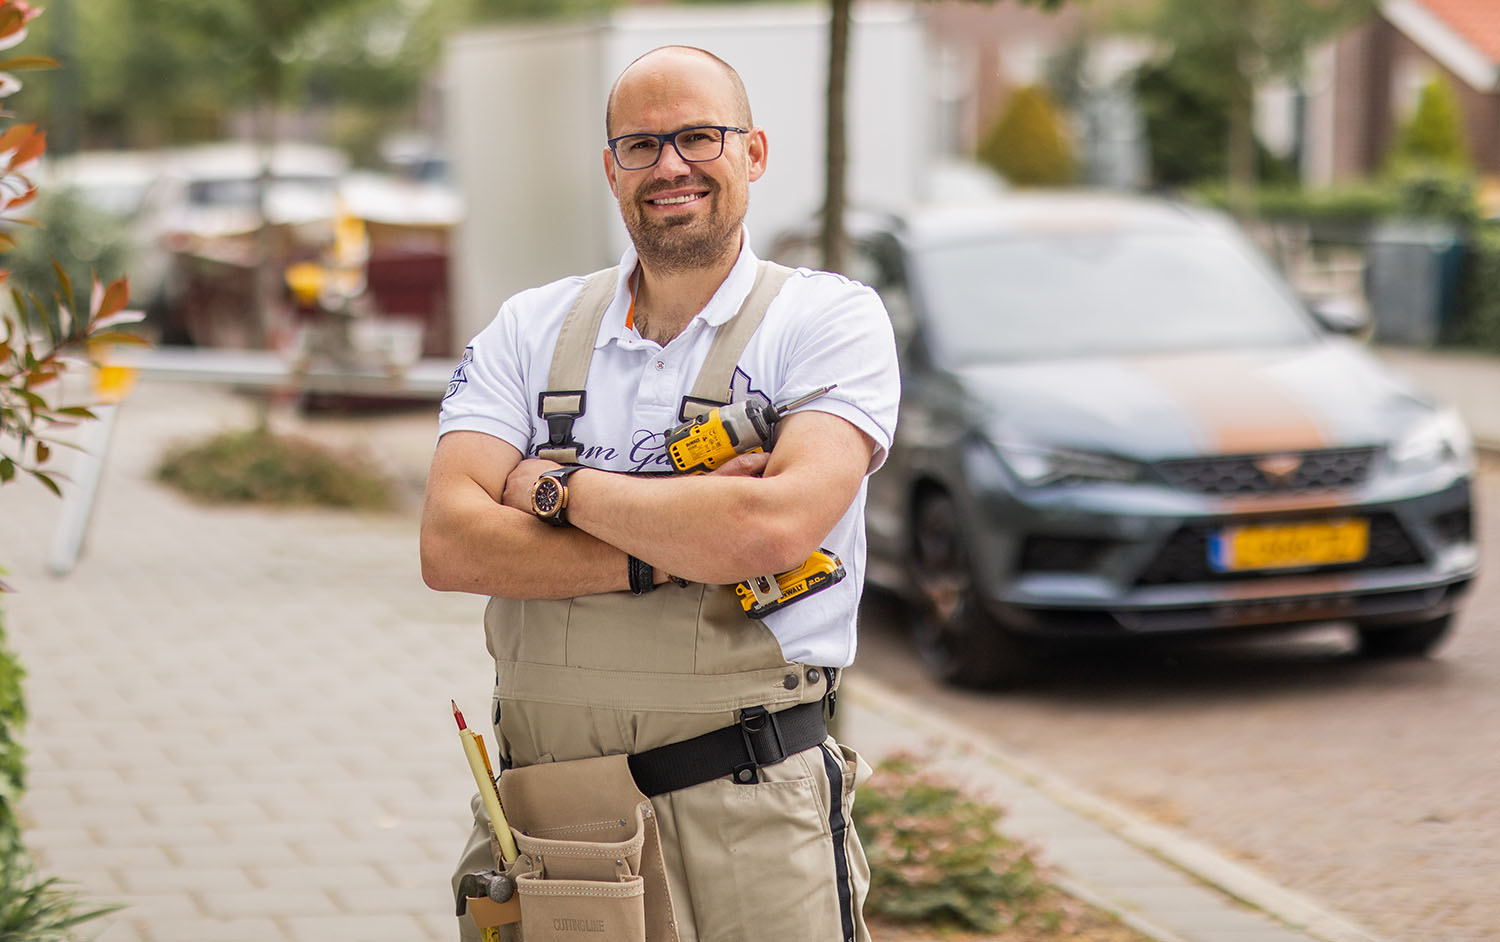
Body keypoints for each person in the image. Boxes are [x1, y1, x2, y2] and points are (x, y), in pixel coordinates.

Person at [421, 44, 900, 942]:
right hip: (553, 819)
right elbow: (450, 545)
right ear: (612, 170)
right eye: (641, 145)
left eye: (698, 137)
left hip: (754, 810)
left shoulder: (827, 319)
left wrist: (555, 487)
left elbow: (771, 528)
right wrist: (677, 551)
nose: (670, 165)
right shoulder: (529, 327)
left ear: (754, 152)